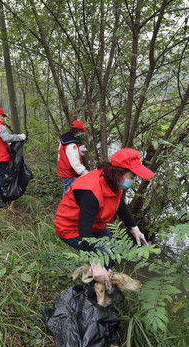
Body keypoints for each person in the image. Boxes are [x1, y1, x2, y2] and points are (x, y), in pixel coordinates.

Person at [54, 148, 154, 286]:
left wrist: (134, 228)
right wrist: (96, 263)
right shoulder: (90, 190)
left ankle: (100, 279)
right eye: (132, 176)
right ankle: (93, 291)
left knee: (113, 250)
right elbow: (84, 230)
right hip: (71, 228)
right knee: (103, 257)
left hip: (94, 225)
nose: (133, 180)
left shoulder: (113, 181)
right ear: (120, 172)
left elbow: (119, 204)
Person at [57, 120, 89, 195]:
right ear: (77, 131)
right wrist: (84, 172)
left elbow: (66, 152)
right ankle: (65, 206)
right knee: (67, 191)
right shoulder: (71, 144)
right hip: (68, 170)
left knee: (69, 188)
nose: (82, 134)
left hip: (64, 166)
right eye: (81, 131)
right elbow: (74, 161)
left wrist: (78, 150)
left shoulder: (66, 137)